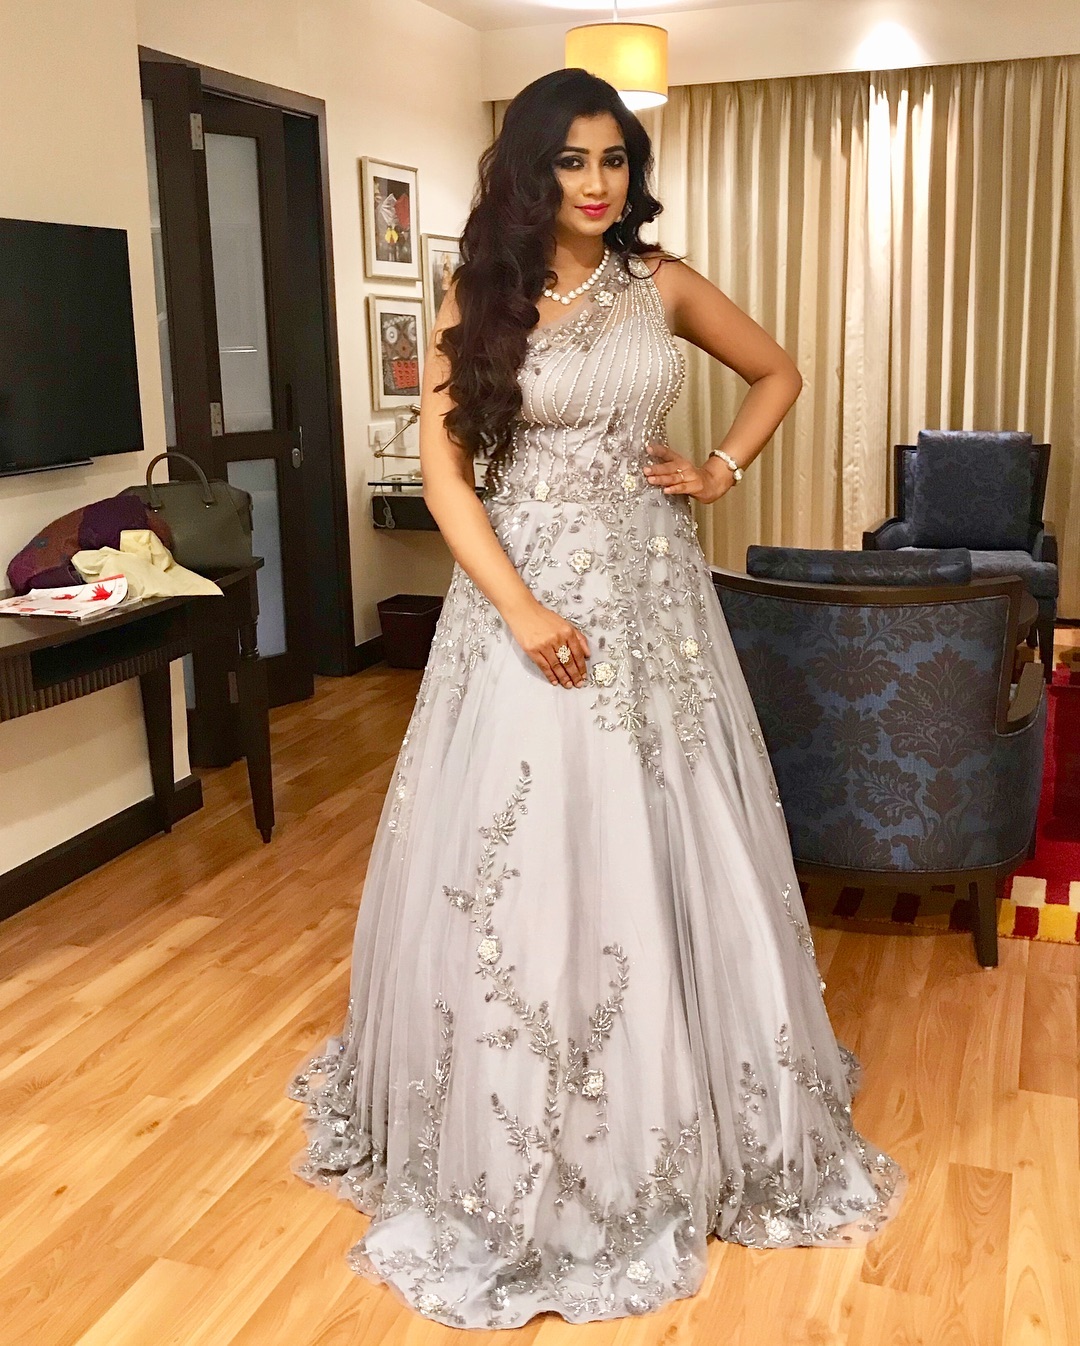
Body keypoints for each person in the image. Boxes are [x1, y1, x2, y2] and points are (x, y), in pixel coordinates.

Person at [289, 67, 908, 1329]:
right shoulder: (482, 294)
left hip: (655, 598)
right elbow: (448, 477)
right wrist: (520, 608)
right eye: (572, 160)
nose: (596, 182)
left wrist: (720, 467)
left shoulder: (659, 282)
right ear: (530, 170)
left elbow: (778, 371)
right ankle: (518, 1118)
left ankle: (685, 1101)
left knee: (675, 824)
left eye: (614, 158)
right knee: (526, 842)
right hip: (522, 599)